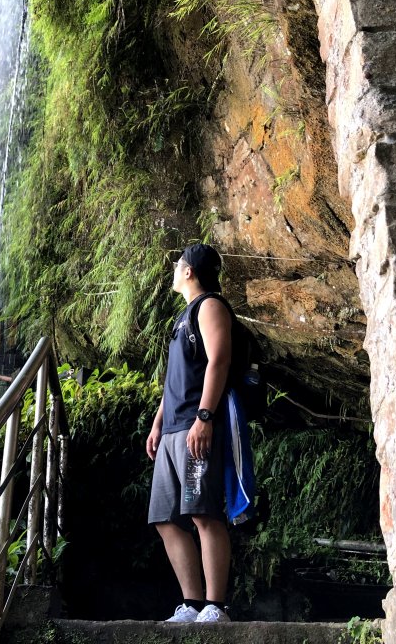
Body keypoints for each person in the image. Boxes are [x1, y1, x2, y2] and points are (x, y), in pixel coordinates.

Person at [146, 243, 233, 624]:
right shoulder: (183, 317)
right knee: (166, 519)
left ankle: (216, 606)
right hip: (172, 431)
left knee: (203, 514)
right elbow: (176, 378)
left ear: (189, 272)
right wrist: (159, 421)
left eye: (178, 264)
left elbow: (220, 359)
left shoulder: (209, 306)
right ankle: (192, 604)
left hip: (195, 427)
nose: (174, 269)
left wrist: (204, 416)